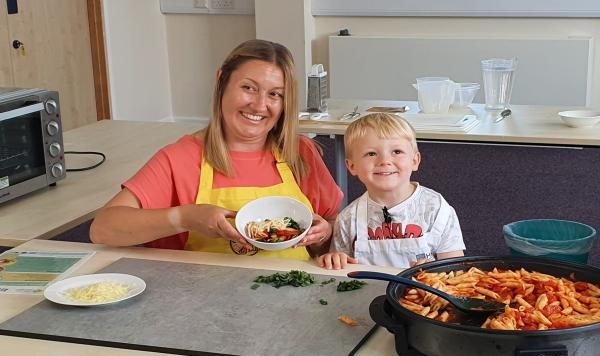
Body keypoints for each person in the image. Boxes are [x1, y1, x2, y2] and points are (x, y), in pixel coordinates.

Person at [90, 39, 343, 260]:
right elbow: (103, 229)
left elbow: (332, 228)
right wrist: (184, 218)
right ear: (222, 80)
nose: (259, 105)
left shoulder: (299, 153)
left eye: (274, 94)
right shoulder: (180, 158)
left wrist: (324, 233)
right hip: (201, 302)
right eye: (248, 88)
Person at [317, 113, 465, 269]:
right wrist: (334, 259)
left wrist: (435, 271)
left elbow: (457, 270)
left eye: (397, 152)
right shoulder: (348, 219)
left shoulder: (437, 209)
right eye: (371, 154)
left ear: (415, 160)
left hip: (424, 291)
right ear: (352, 166)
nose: (384, 161)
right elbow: (339, 270)